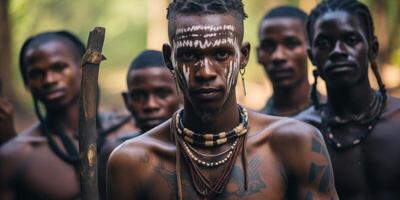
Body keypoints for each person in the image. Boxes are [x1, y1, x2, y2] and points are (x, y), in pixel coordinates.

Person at [107, 1, 338, 199]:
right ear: (170, 58)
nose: (205, 71)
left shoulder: (296, 144)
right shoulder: (132, 162)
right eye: (189, 55)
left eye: (221, 54)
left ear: (243, 56)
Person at [0, 31, 125, 199]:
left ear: (84, 69)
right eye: (36, 74)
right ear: (27, 84)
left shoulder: (128, 131)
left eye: (59, 68)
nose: (49, 79)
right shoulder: (17, 155)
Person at [299, 0, 400, 199]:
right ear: (312, 57)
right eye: (324, 43)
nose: (338, 51)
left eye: (351, 39)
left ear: (373, 49)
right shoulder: (301, 133)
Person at [98, 50, 181, 199]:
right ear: (126, 100)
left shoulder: (198, 150)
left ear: (181, 95)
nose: (151, 105)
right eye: (138, 96)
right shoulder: (116, 154)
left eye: (162, 94)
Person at [257, 6, 313, 117]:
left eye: (291, 44)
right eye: (268, 46)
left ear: (311, 50)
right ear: (258, 54)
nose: (278, 56)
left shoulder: (334, 119)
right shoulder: (254, 126)